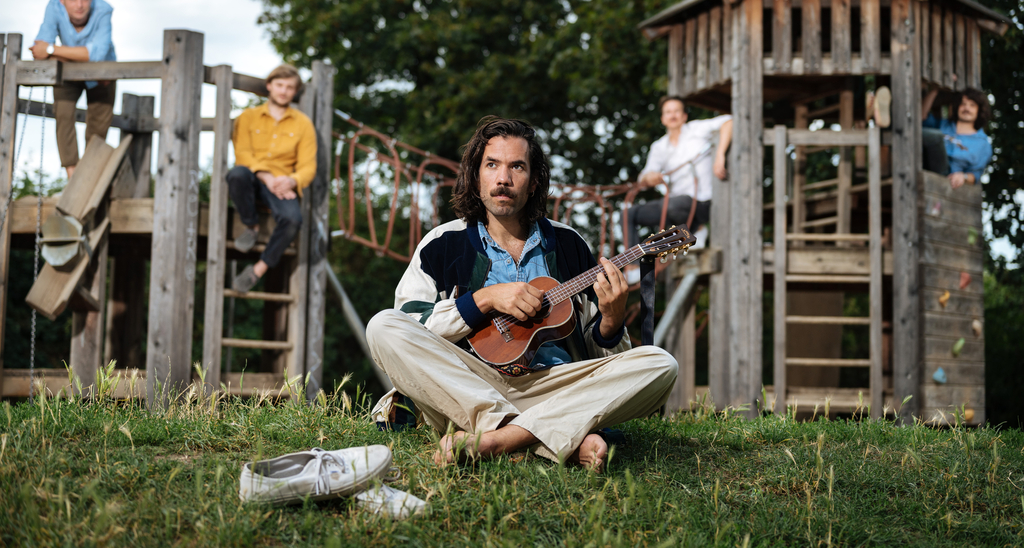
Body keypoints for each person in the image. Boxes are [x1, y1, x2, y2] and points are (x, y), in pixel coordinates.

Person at [366, 117, 678, 472]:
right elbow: (411, 323)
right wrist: (484, 299)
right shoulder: (442, 244)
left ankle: (500, 438)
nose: (503, 178)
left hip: (557, 385)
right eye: (492, 165)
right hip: (469, 384)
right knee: (382, 326)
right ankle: (557, 434)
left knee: (660, 363)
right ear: (476, 177)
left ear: (533, 182)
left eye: (517, 166)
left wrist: (612, 320)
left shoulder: (568, 244)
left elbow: (599, 349)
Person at [227, 64, 316, 292]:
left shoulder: (303, 123)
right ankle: (251, 226)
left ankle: (257, 271)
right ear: (269, 86)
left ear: (295, 92)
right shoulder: (248, 117)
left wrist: (291, 181)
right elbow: (242, 154)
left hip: (283, 183)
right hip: (254, 176)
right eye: (279, 85)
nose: (283, 91)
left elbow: (308, 167)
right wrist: (266, 176)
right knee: (236, 174)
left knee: (293, 219)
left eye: (289, 87)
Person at [30, 0, 117, 179]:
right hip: (69, 73)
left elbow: (97, 55)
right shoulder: (53, 7)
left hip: (103, 75)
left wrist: (53, 51)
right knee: (63, 112)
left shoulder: (103, 10)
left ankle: (90, 176)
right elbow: (38, 50)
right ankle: (73, 176)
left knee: (97, 129)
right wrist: (81, 56)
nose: (79, 5)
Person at [628, 96, 732, 255]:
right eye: (668, 112)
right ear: (663, 119)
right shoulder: (659, 146)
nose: (672, 115)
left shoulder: (696, 129)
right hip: (675, 206)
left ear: (684, 116)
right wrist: (651, 178)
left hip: (702, 202)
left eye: (677, 111)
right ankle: (633, 266)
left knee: (672, 206)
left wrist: (720, 155)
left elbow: (729, 121)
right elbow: (643, 177)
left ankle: (696, 230)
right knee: (629, 214)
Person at [920, 85, 993, 189]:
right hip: (924, 163)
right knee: (919, 132)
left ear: (979, 110)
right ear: (957, 107)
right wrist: (935, 90)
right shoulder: (944, 125)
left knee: (936, 137)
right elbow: (922, 117)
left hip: (947, 178)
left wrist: (963, 176)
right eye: (963, 104)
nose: (966, 108)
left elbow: (975, 175)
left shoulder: (983, 144)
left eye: (972, 105)